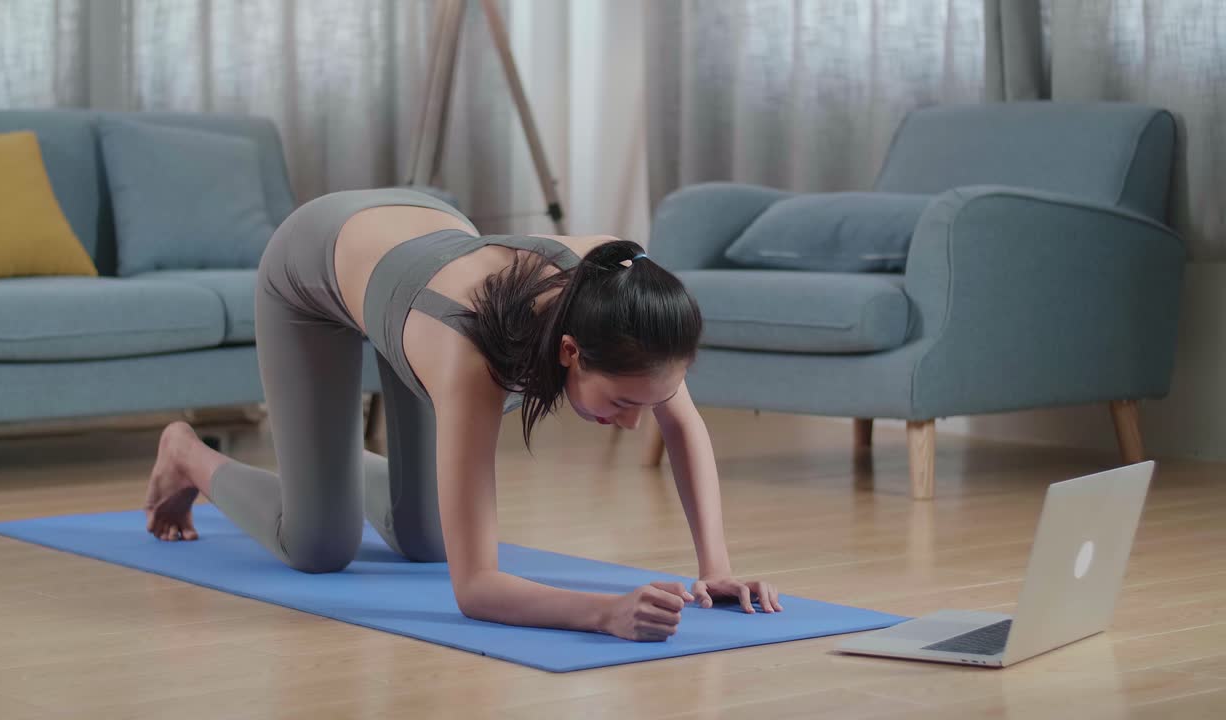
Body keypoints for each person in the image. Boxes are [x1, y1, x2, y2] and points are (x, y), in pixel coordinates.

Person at [143, 188, 781, 642]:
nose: (634, 422)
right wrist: (603, 612)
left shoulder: (627, 302)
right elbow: (475, 590)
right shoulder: (470, 352)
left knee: (427, 538)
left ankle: (325, 463)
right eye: (620, 403)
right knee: (318, 544)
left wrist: (715, 569)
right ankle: (187, 454)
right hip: (315, 259)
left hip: (425, 233)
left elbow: (682, 423)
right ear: (568, 351)